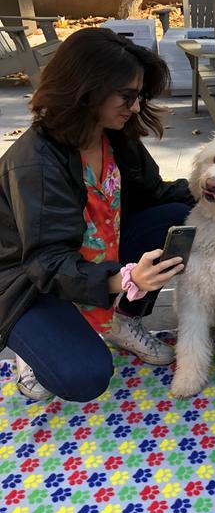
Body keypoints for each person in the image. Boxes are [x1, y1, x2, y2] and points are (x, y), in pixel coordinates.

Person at [0, 28, 195, 402]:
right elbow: (47, 263)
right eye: (127, 96)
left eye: (139, 96)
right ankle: (35, 348)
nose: (136, 107)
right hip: (26, 281)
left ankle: (116, 318)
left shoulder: (114, 135)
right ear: (86, 90)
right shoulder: (35, 164)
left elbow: (154, 194)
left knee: (178, 215)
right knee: (84, 376)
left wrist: (213, 185)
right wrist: (124, 280)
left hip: (89, 256)